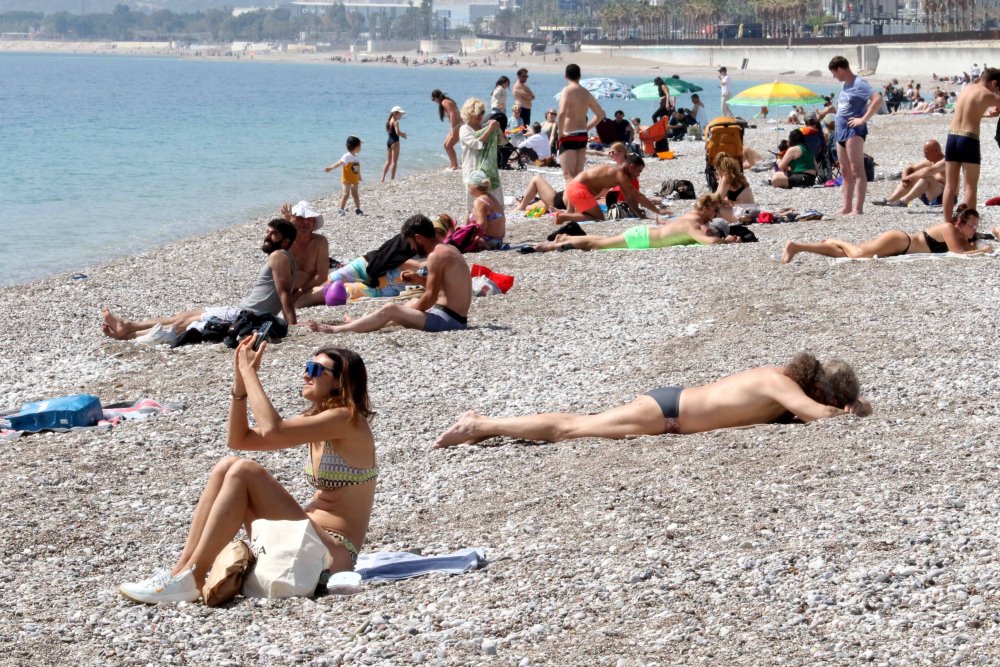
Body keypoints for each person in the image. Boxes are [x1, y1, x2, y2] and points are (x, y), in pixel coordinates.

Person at [118, 338, 376, 603]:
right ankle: (182, 571)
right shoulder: (319, 420)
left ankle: (194, 576)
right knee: (226, 465)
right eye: (307, 367)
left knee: (245, 471)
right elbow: (239, 440)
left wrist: (250, 372)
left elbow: (272, 429)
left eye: (315, 370)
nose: (305, 374)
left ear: (339, 382)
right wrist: (240, 386)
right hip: (306, 537)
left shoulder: (346, 419)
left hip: (334, 554)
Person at [433, 352, 870, 448]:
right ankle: (481, 424)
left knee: (576, 424)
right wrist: (848, 411)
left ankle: (486, 425)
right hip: (666, 412)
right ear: (819, 387)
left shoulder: (778, 383)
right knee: (570, 428)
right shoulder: (780, 386)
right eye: (829, 395)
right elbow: (820, 417)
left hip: (670, 408)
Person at [101, 219, 298, 343]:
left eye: (274, 234)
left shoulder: (279, 255)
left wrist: (293, 326)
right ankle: (128, 327)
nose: (268, 236)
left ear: (286, 241)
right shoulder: (284, 256)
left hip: (246, 314)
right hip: (243, 311)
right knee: (183, 316)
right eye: (268, 232)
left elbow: (284, 294)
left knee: (184, 322)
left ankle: (127, 332)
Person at [301, 215, 472, 334]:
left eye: (411, 244)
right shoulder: (450, 250)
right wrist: (419, 280)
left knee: (392, 309)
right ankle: (361, 323)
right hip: (455, 317)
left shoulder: (436, 256)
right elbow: (445, 289)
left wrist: (403, 312)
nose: (412, 249)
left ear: (419, 238)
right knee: (407, 305)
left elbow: (430, 298)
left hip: (447, 321)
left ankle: (336, 330)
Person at [297, 214, 455, 308]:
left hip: (380, 288)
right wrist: (419, 265)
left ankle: (292, 306)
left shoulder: (438, 256)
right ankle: (289, 303)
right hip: (367, 264)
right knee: (326, 282)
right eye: (435, 231)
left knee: (332, 291)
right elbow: (393, 258)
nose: (437, 235)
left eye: (441, 233)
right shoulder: (409, 241)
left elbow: (435, 284)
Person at [780, 206, 991, 263]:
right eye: (972, 225)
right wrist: (981, 250)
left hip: (901, 247)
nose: (974, 229)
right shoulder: (948, 228)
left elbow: (966, 250)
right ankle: (836, 239)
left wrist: (975, 244)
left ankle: (797, 247)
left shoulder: (961, 236)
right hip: (901, 241)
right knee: (857, 254)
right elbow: (958, 254)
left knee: (845, 255)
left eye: (975, 226)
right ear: (960, 223)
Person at [535, 193, 738, 252]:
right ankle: (553, 245)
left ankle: (567, 237)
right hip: (642, 238)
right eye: (715, 210)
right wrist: (727, 241)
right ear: (706, 208)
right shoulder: (693, 224)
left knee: (603, 240)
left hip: (645, 233)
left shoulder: (692, 216)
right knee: (596, 244)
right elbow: (707, 241)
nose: (716, 214)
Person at [942, 67, 1000, 223]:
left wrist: (988, 114)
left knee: (950, 186)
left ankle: (946, 225)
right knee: (970, 186)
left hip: (952, 136)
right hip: (969, 139)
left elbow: (971, 111)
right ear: (994, 83)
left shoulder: (966, 88)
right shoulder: (989, 94)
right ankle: (969, 229)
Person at [829, 55, 882, 215]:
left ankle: (858, 208)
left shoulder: (859, 83)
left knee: (857, 169)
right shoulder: (845, 85)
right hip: (841, 131)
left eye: (834, 72)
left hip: (854, 131)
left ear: (840, 69)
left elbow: (877, 99)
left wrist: (863, 119)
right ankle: (846, 206)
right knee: (845, 170)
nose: (834, 76)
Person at [550, 156, 647, 225]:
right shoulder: (617, 175)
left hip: (572, 191)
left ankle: (564, 214)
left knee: (585, 212)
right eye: (638, 171)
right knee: (599, 217)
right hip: (572, 194)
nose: (611, 154)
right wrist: (656, 210)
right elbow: (633, 196)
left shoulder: (609, 171)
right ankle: (563, 216)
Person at [557, 63, 606, 182]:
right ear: (579, 76)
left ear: (565, 76)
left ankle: (571, 201)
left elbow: (562, 113)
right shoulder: (586, 93)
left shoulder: (567, 91)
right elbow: (600, 114)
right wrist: (587, 128)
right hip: (582, 135)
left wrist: (560, 133)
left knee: (568, 175)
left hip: (568, 135)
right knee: (579, 175)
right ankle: (578, 200)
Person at [459, 97, 504, 213]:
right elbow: (475, 144)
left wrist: (496, 129)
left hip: (488, 169)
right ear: (471, 113)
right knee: (473, 206)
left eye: (483, 113)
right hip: (472, 169)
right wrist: (489, 130)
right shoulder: (464, 129)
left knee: (493, 201)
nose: (481, 116)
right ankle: (468, 229)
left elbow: (501, 141)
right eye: (479, 113)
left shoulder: (484, 126)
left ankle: (494, 225)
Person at [279, 200, 330, 302]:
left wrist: (300, 292)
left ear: (314, 222)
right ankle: (289, 303)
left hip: (308, 290)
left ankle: (291, 304)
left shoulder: (320, 242)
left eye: (309, 219)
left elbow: (322, 276)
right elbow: (275, 267)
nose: (305, 222)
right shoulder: (286, 241)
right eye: (300, 218)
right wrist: (285, 225)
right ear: (293, 221)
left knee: (327, 291)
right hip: (284, 290)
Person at [873, 139, 946, 207]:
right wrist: (905, 178)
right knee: (911, 178)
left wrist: (909, 177)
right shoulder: (929, 161)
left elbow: (929, 171)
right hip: (929, 197)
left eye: (927, 153)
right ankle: (889, 200)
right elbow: (910, 168)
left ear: (937, 151)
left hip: (943, 198)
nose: (924, 155)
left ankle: (904, 201)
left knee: (926, 177)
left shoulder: (945, 162)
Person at [466, 170, 506, 250]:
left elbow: (481, 225)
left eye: (468, 185)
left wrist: (468, 236)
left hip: (486, 242)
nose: (468, 187)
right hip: (498, 241)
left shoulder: (479, 202)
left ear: (474, 186)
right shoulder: (492, 198)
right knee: (468, 213)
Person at [324, 135, 364, 216]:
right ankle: (341, 209)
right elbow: (339, 163)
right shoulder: (347, 156)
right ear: (356, 147)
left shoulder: (356, 157)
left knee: (355, 194)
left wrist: (359, 176)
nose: (361, 148)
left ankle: (358, 209)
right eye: (360, 146)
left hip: (355, 179)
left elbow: (357, 168)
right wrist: (331, 168)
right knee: (346, 194)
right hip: (346, 180)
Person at [713, 154, 755, 222]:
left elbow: (717, 198)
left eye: (716, 169)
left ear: (720, 168)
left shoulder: (726, 177)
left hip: (742, 212)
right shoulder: (739, 176)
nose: (716, 172)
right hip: (752, 210)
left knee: (714, 208)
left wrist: (720, 181)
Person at [431, 89, 462, 171]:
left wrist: (452, 127)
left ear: (436, 98)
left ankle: (455, 165)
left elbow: (452, 113)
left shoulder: (445, 102)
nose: (434, 101)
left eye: (433, 99)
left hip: (458, 125)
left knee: (449, 145)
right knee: (445, 145)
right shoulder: (445, 101)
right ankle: (452, 164)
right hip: (456, 125)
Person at [381, 106, 407, 182]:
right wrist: (403, 134)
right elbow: (397, 132)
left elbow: (389, 132)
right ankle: (392, 178)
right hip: (395, 142)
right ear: (394, 114)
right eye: (399, 114)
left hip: (388, 142)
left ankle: (382, 178)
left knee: (388, 161)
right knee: (394, 161)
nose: (401, 116)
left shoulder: (388, 121)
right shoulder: (396, 122)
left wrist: (401, 133)